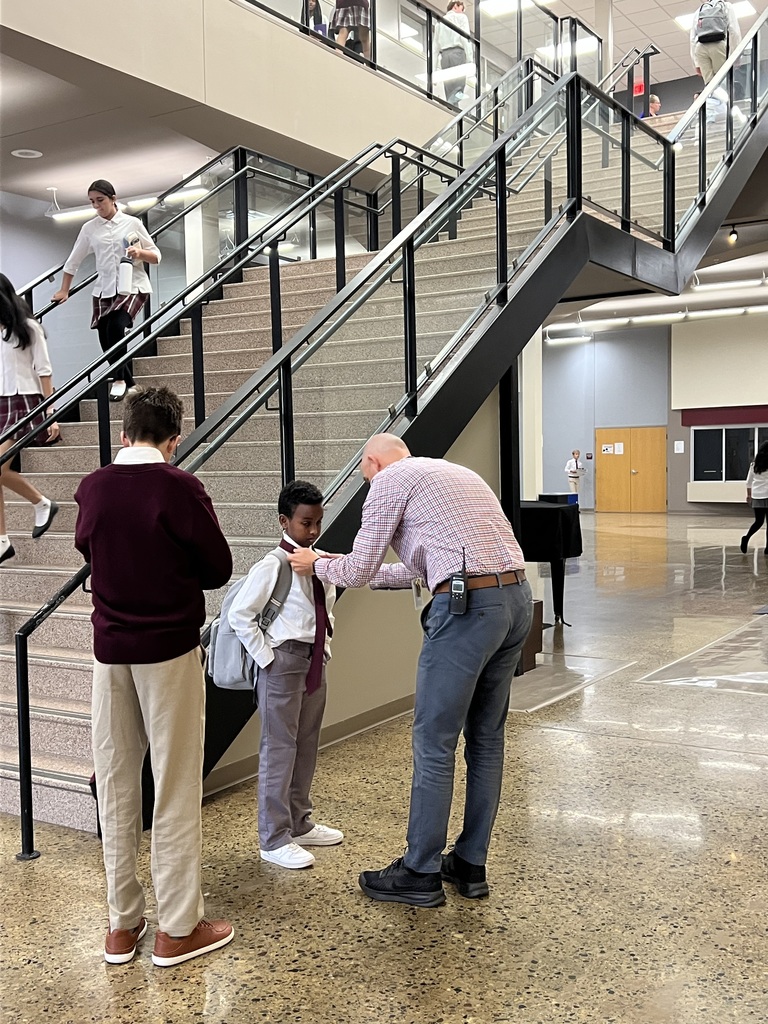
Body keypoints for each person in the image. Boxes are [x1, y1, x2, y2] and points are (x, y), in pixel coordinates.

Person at [287, 434, 533, 907]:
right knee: (486, 738)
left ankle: (419, 871)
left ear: (372, 462)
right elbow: (416, 572)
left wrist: (317, 564)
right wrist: (332, 563)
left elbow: (359, 571)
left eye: (364, 477)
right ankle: (469, 863)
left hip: (468, 611)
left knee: (434, 741)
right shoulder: (454, 473)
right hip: (515, 601)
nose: (367, 486)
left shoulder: (389, 480)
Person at [74, 387, 235, 967]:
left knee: (116, 784)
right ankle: (178, 928)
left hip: (108, 653)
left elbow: (86, 544)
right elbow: (219, 567)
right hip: (168, 653)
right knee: (172, 785)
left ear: (123, 433)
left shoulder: (92, 487)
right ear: (173, 440)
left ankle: (122, 924)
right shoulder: (180, 486)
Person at [228, 480, 343, 870]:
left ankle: (299, 821)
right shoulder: (272, 565)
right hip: (282, 661)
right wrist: (267, 659)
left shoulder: (319, 561)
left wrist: (324, 649)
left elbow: (324, 607)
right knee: (279, 747)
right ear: (284, 521)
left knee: (307, 743)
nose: (312, 531)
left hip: (313, 661)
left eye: (317, 523)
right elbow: (239, 615)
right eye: (305, 523)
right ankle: (273, 837)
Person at [53, 180, 161, 402]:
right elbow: (73, 260)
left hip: (132, 285)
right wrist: (64, 289)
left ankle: (120, 380)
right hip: (104, 289)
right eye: (92, 202)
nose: (96, 206)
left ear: (113, 198)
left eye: (100, 200)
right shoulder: (89, 229)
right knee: (104, 333)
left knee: (115, 328)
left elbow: (156, 256)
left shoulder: (133, 223)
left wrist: (139, 253)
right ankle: (131, 384)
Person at [0, 274, 60, 564]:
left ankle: (40, 504)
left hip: (25, 402)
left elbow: (44, 370)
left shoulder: (28, 328)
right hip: (2, 403)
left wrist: (50, 412)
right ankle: (4, 537)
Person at [690, 0, 741, 85]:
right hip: (718, 45)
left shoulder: (700, 10)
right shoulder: (726, 6)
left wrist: (696, 63)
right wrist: (737, 55)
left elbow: (692, 38)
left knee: (709, 85)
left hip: (701, 48)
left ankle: (711, 97)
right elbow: (734, 31)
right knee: (722, 81)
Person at [434, 0, 472, 107]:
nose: (462, 12)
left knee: (449, 90)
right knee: (459, 89)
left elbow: (435, 48)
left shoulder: (439, 23)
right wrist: (470, 60)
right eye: (462, 9)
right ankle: (454, 109)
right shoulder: (461, 18)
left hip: (444, 57)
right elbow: (465, 38)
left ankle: (452, 113)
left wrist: (433, 70)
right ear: (456, 6)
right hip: (457, 53)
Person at [740, 441, 768, 554]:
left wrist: (749, 496)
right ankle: (767, 548)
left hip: (757, 496)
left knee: (758, 522)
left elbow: (748, 482)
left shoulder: (754, 465)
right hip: (767, 495)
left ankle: (746, 537)